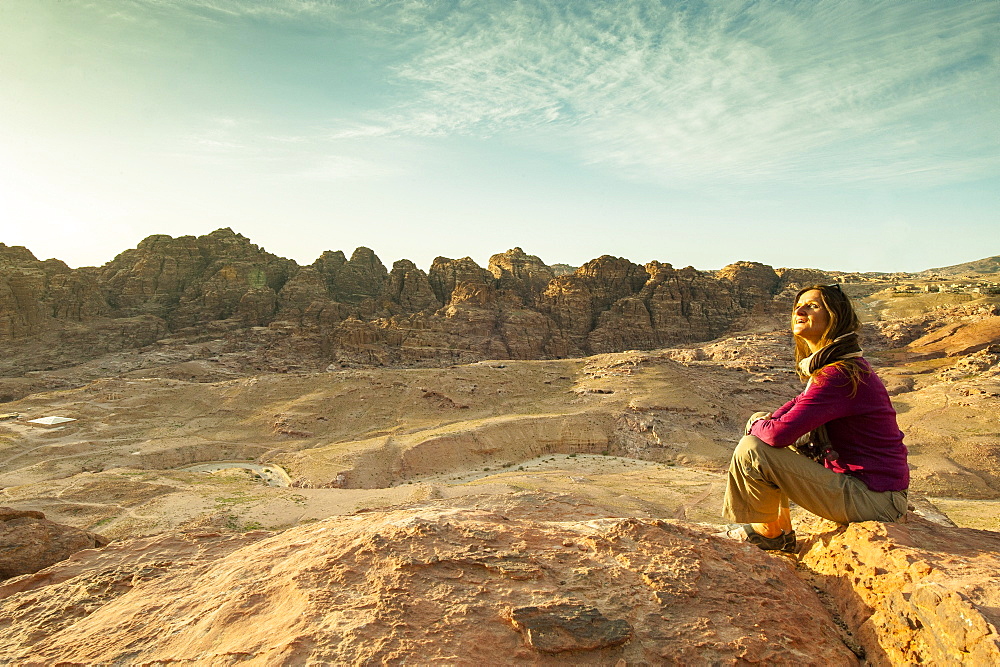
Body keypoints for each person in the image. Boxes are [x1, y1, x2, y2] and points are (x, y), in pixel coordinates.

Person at [721, 283, 909, 553]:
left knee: (753, 449)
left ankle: (767, 534)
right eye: (798, 305)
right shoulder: (835, 367)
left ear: (834, 316)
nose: (799, 309)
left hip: (874, 500)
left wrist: (755, 426)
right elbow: (786, 413)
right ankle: (777, 529)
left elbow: (777, 434)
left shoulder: (840, 374)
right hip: (875, 494)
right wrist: (759, 421)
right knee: (762, 425)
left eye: (813, 305)